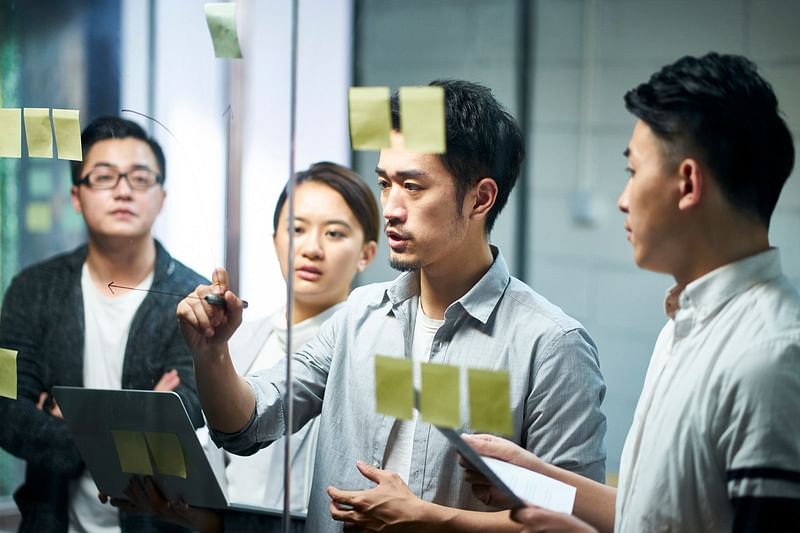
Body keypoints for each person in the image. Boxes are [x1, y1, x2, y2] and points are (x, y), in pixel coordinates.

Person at [179, 79, 607, 532]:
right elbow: (248, 424)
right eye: (385, 183)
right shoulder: (359, 315)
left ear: (480, 198)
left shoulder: (550, 345)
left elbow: (572, 522)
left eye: (413, 187)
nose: (390, 208)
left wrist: (433, 521)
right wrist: (212, 353)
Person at [462, 52, 800, 532]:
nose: (623, 199)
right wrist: (534, 477)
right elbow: (656, 515)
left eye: (633, 171)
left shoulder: (769, 357)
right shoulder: (689, 324)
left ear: (687, 183)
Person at [110, 162, 379, 532]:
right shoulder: (234, 340)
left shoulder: (372, 351)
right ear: (275, 241)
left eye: (334, 233)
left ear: (367, 253)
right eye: (296, 229)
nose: (312, 248)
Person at [0, 116, 207, 532]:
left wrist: (75, 419)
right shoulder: (33, 290)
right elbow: (7, 410)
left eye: (140, 177)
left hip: (160, 524)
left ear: (162, 196)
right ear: (77, 196)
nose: (124, 190)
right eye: (104, 177)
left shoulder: (192, 297)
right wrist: (139, 417)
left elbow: (192, 410)